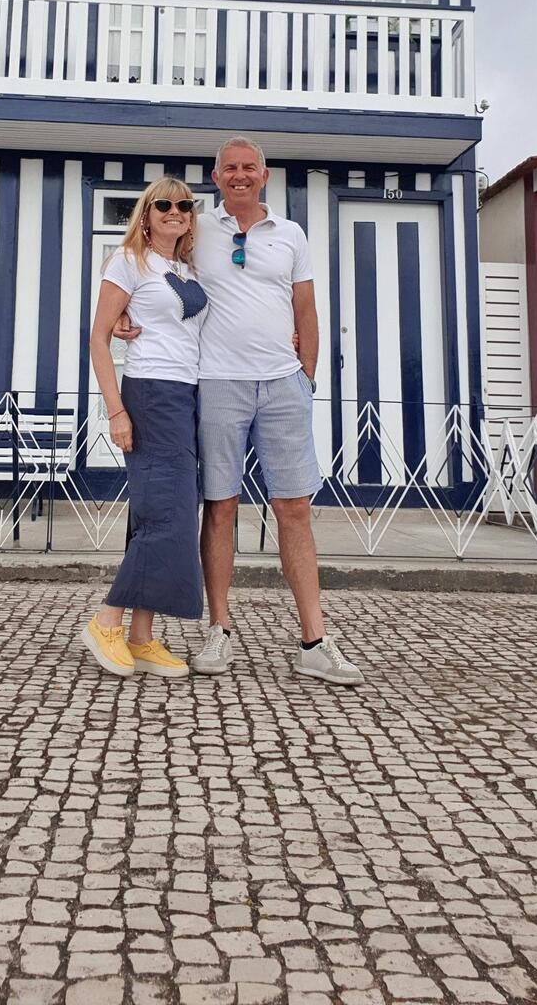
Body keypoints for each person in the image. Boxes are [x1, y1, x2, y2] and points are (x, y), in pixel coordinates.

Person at [117, 137, 363, 687]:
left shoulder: (291, 234)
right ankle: (219, 629)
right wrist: (121, 318)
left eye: (250, 167)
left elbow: (306, 308)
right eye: (230, 168)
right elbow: (147, 267)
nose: (240, 175)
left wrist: (306, 376)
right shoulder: (196, 229)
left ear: (265, 174)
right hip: (216, 383)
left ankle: (315, 641)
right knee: (220, 507)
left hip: (282, 384)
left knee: (294, 507)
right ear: (216, 177)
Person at [82, 177, 208, 680]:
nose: (175, 211)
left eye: (185, 205)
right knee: (169, 517)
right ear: (147, 214)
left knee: (158, 513)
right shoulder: (128, 261)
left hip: (187, 394)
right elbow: (98, 339)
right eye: (164, 204)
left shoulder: (187, 269)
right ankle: (106, 621)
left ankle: (141, 635)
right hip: (151, 393)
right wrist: (116, 411)